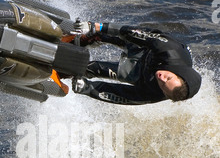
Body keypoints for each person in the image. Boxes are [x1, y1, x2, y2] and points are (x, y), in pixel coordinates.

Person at [71, 21, 202, 105]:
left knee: (91, 68)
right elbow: (140, 33)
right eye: (168, 77)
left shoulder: (156, 93)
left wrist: (86, 88)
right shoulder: (172, 51)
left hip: (139, 74)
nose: (161, 78)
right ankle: (91, 39)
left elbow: (122, 95)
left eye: (162, 85)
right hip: (146, 48)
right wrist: (100, 27)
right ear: (178, 73)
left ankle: (66, 69)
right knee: (104, 34)